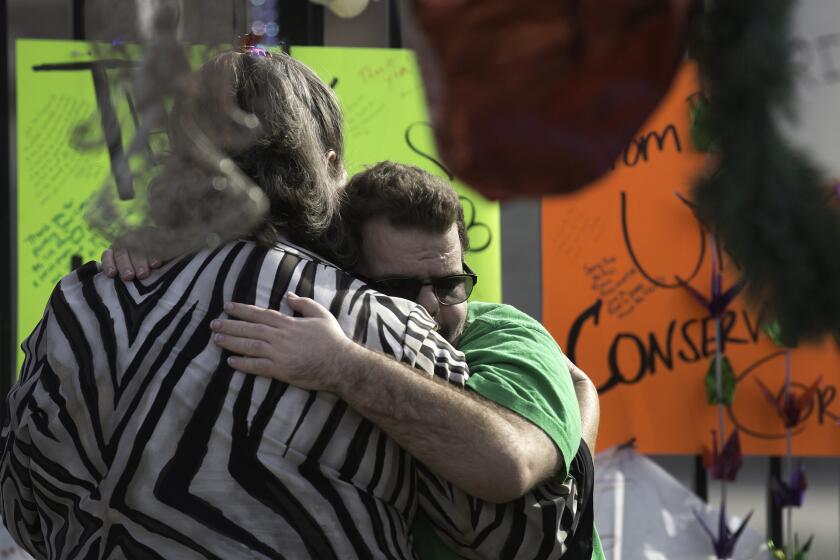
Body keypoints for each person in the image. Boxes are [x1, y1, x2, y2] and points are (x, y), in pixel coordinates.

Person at [2, 51, 585, 559]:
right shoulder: (373, 323)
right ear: (327, 166)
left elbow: (24, 506)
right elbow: (515, 537)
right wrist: (577, 431)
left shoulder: (81, 305)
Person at [209, 162, 605, 559]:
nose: (431, 305)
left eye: (450, 284)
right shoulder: (321, 326)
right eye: (400, 287)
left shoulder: (507, 336)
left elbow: (509, 464)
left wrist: (341, 365)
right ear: (347, 280)